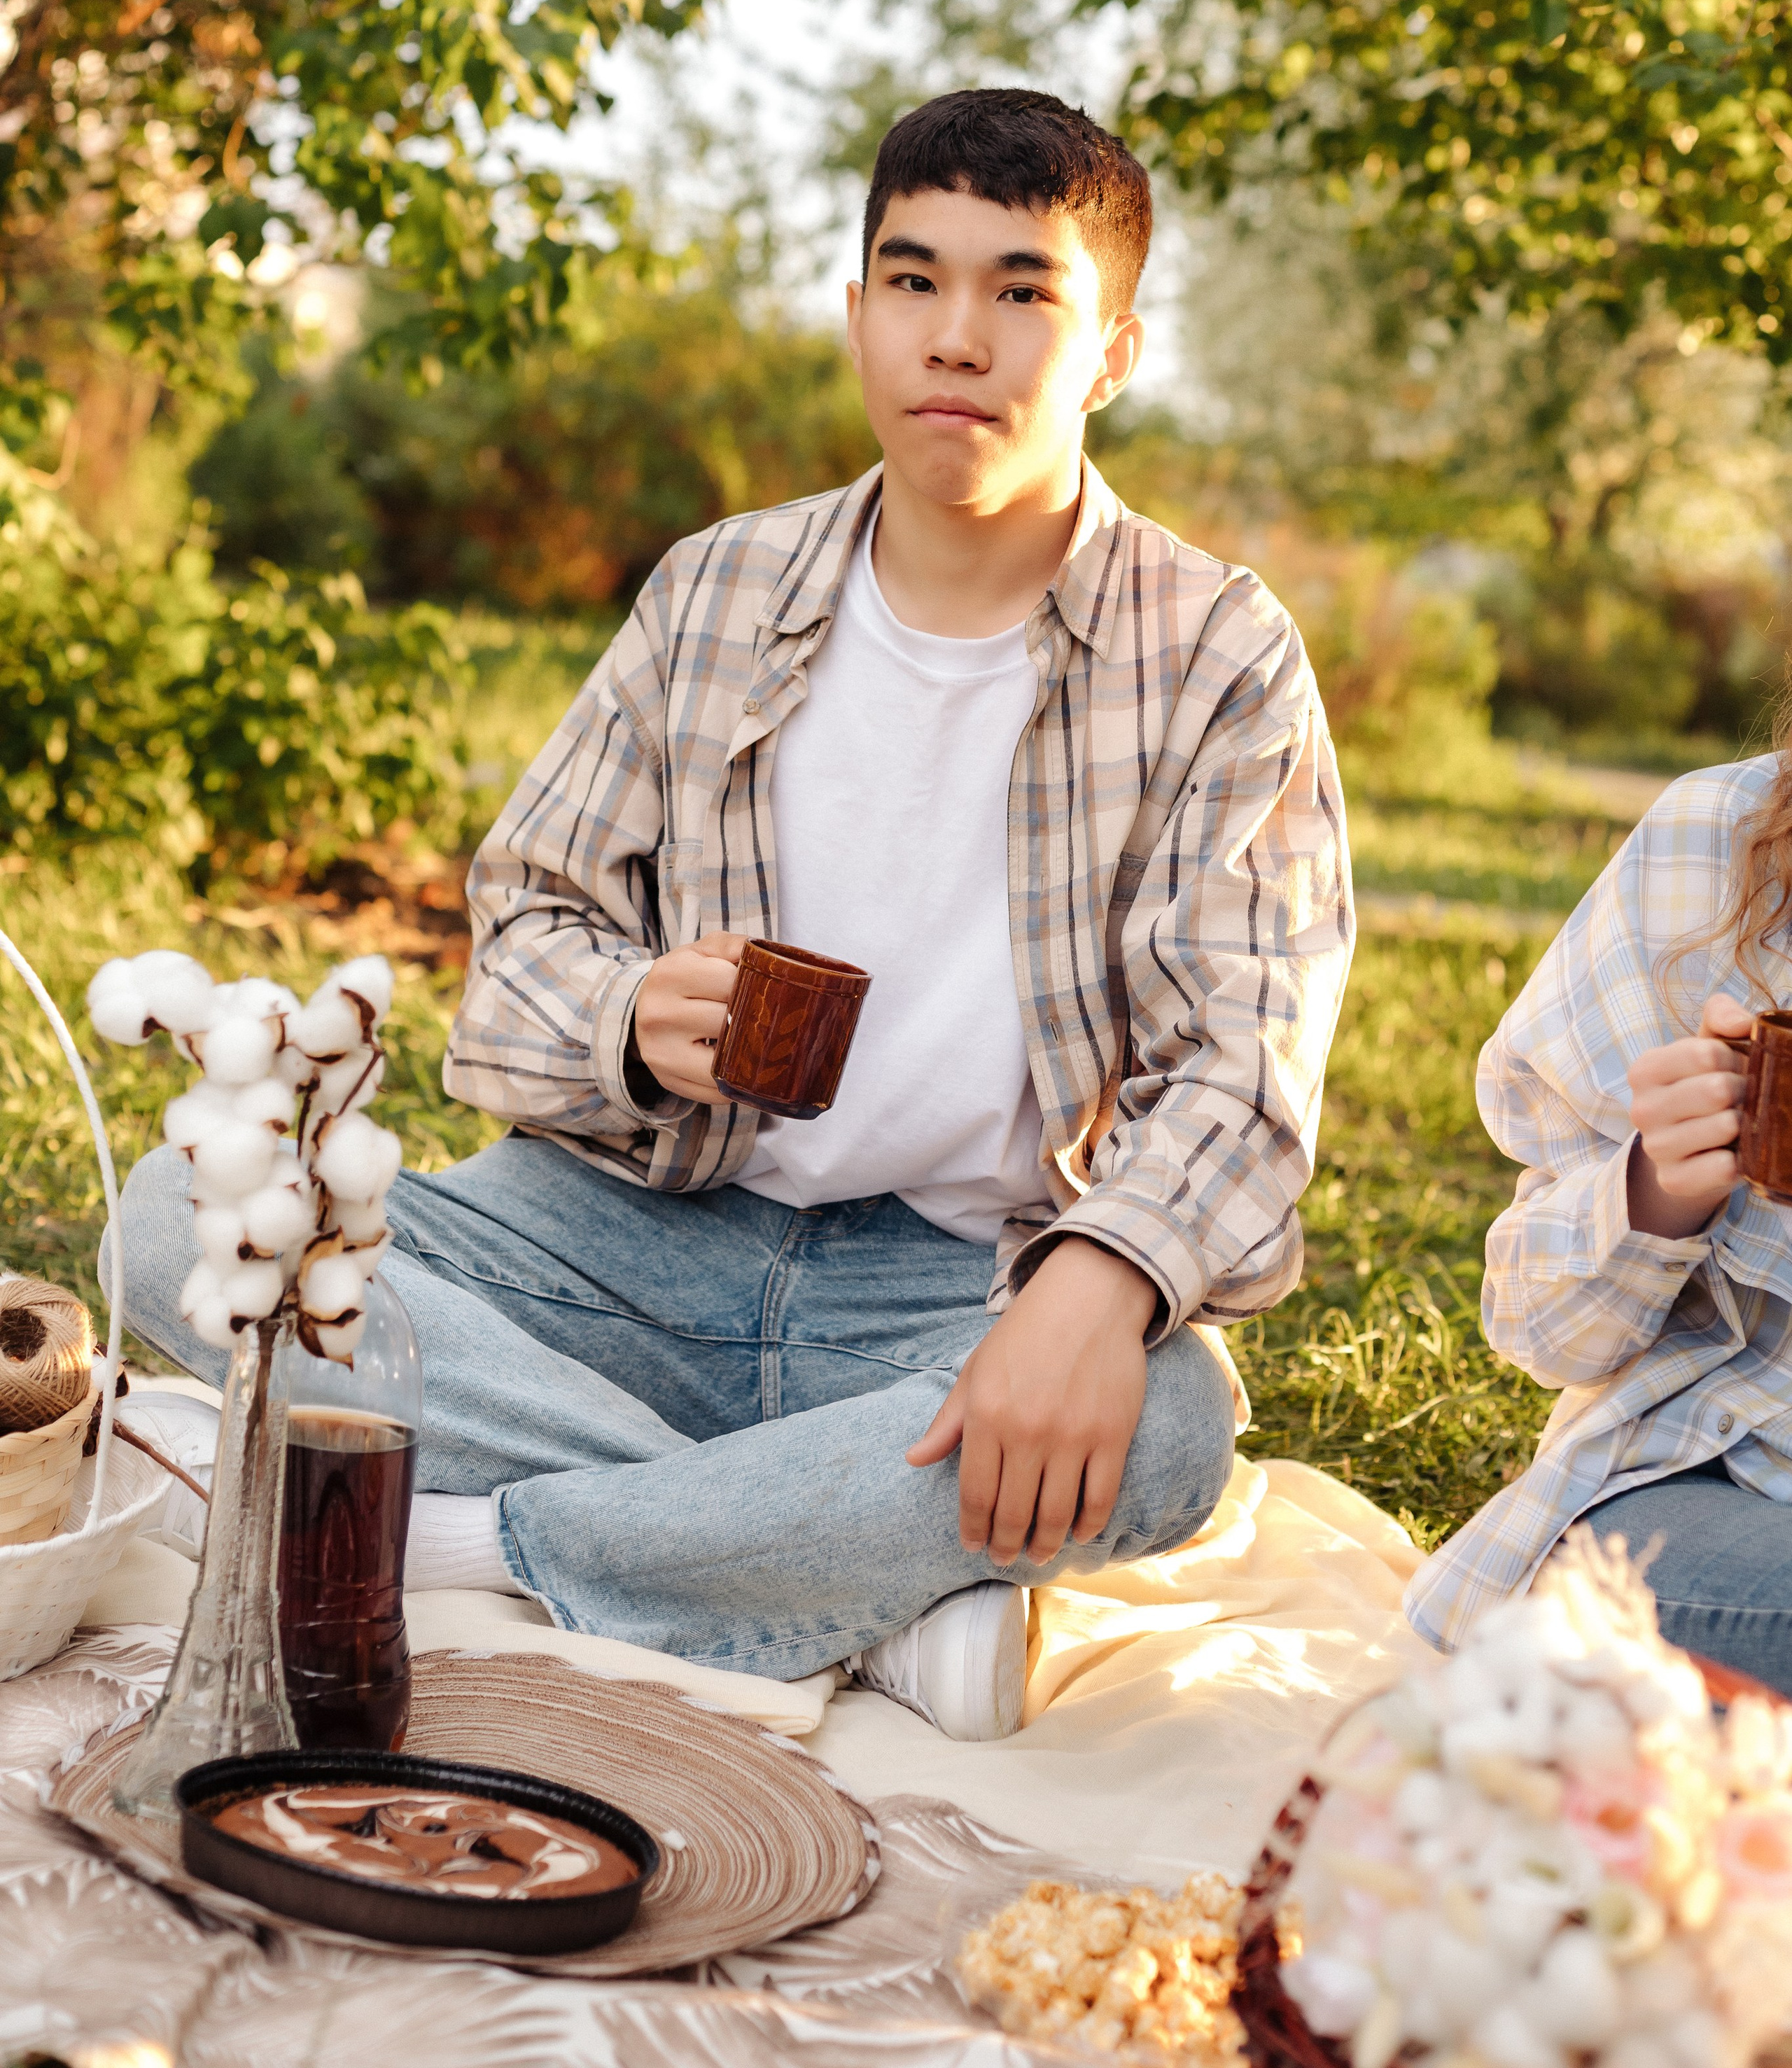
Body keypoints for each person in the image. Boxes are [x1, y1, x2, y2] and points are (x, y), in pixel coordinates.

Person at [120, 88, 1354, 1741]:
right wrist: (628, 1023)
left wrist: (1098, 1283)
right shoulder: (714, 590)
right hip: (626, 1247)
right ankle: (830, 1578)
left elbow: (1247, 1072)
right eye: (911, 282)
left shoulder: (1217, 653)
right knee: (180, 1212)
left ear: (1112, 349)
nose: (957, 338)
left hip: (948, 1290)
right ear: (856, 316)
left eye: (1022, 291)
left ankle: (482, 1548)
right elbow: (524, 931)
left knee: (1170, 1426)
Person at [1406, 723, 1792, 1693]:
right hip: (1721, 1484)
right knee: (1619, 1604)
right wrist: (1661, 1185)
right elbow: (1537, 1328)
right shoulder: (1714, 848)